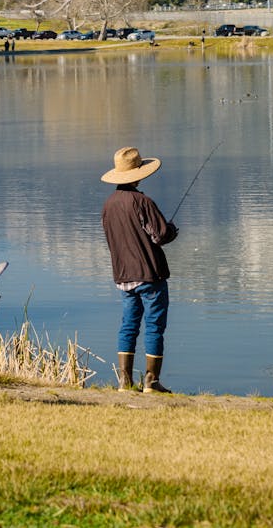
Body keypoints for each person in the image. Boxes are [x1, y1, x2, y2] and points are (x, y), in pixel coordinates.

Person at [101, 146, 178, 393]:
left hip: (123, 276)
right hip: (149, 275)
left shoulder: (108, 205)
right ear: (139, 174)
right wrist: (172, 230)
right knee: (154, 325)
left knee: (128, 325)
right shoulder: (142, 201)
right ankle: (151, 383)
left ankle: (124, 382)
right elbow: (160, 235)